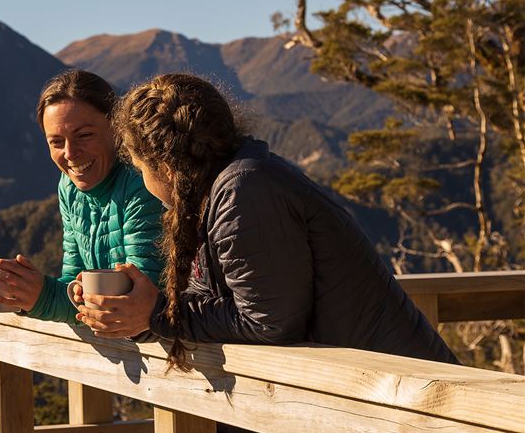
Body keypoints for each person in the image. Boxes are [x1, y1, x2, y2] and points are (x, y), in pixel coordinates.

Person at [73, 73, 457, 367]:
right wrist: (140, 313)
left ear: (165, 168)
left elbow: (269, 320)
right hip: (378, 390)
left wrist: (158, 313)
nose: (143, 178)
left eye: (140, 167)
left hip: (405, 403)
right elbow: (224, 304)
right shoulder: (229, 188)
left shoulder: (246, 190)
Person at [0, 70, 164, 323]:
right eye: (56, 142)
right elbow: (74, 284)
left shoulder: (141, 181)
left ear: (117, 128)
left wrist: (46, 296)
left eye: (84, 135)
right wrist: (32, 294)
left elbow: (137, 302)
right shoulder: (68, 186)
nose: (70, 153)